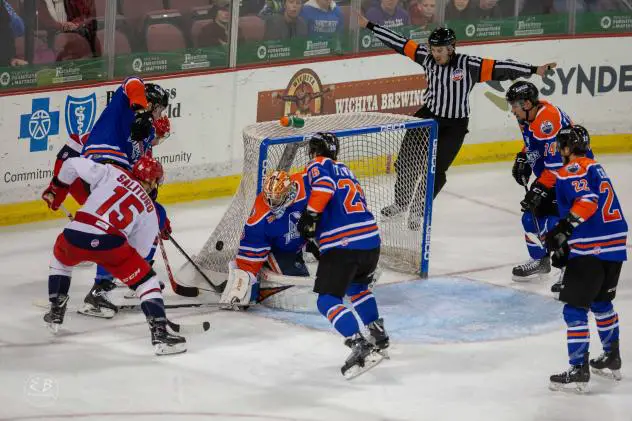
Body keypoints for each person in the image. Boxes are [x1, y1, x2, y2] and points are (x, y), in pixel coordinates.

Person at [358, 12, 555, 229]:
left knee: (436, 171)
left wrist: (534, 70)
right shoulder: (425, 56)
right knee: (406, 161)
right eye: (433, 49)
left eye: (440, 50)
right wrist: (369, 25)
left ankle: (418, 210)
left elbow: (502, 67)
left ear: (451, 48)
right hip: (427, 118)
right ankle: (401, 203)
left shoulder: (469, 64)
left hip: (455, 125)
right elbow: (400, 43)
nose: (435, 54)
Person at [42, 156, 186, 355]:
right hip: (110, 244)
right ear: (152, 182)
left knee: (60, 259)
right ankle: (160, 335)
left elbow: (71, 163)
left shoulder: (112, 171)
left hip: (74, 234)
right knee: (147, 281)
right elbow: (141, 251)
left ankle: (56, 309)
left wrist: (57, 187)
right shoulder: (149, 208)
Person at [78, 77, 172, 319]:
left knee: (153, 214)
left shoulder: (146, 133)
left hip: (118, 175)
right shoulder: (125, 104)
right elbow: (133, 81)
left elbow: (142, 168)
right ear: (150, 103)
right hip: (101, 164)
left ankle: (137, 276)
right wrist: (140, 110)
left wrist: (151, 193)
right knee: (117, 228)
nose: (159, 113)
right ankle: (100, 290)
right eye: (158, 107)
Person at [297, 132, 387, 379]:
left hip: (344, 245)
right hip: (371, 241)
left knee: (326, 300)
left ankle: (360, 345)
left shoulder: (318, 164)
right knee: (358, 288)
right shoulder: (346, 169)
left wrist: (311, 216)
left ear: (315, 151)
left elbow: (324, 189)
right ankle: (377, 333)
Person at [546, 125, 626, 392]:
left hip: (591, 248)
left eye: (561, 146)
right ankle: (611, 357)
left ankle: (578, 368)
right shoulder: (594, 166)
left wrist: (563, 230)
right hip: (614, 244)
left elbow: (588, 201)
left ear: (568, 148)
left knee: (574, 309)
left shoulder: (572, 169)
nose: (559, 150)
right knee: (602, 302)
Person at [505, 81, 594, 282]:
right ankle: (540, 260)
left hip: (573, 177)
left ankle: (570, 269)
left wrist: (539, 188)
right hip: (553, 177)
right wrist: (523, 157)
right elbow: (533, 143)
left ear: (527, 103)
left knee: (559, 223)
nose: (512, 110)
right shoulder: (528, 116)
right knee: (530, 218)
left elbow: (557, 166)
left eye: (514, 105)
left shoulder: (549, 121)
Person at [219, 170, 317, 308]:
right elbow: (250, 255)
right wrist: (240, 286)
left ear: (289, 192)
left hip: (309, 238)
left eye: (276, 198)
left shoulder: (307, 185)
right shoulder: (259, 215)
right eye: (268, 197)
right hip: (281, 250)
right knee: (299, 287)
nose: (271, 203)